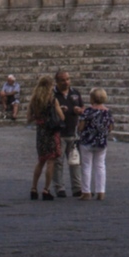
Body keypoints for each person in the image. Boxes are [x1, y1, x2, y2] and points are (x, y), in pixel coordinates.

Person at [50, 72, 86, 200]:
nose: (66, 82)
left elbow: (82, 106)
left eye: (68, 79)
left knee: (75, 162)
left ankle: (77, 188)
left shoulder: (75, 93)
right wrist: (58, 109)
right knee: (58, 162)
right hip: (58, 132)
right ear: (57, 81)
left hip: (73, 131)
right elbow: (47, 110)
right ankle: (59, 188)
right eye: (63, 80)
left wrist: (80, 110)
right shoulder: (52, 94)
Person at [31, 84, 65, 200]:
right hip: (51, 132)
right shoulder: (52, 100)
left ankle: (34, 188)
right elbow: (62, 117)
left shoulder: (34, 101)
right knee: (51, 161)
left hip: (40, 133)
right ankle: (46, 189)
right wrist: (60, 109)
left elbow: (29, 118)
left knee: (41, 161)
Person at [78, 88, 113, 200]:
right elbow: (111, 127)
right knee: (100, 166)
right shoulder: (107, 111)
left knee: (86, 166)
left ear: (92, 98)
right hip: (101, 141)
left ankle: (86, 191)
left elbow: (81, 126)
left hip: (87, 141)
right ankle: (101, 191)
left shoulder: (87, 111)